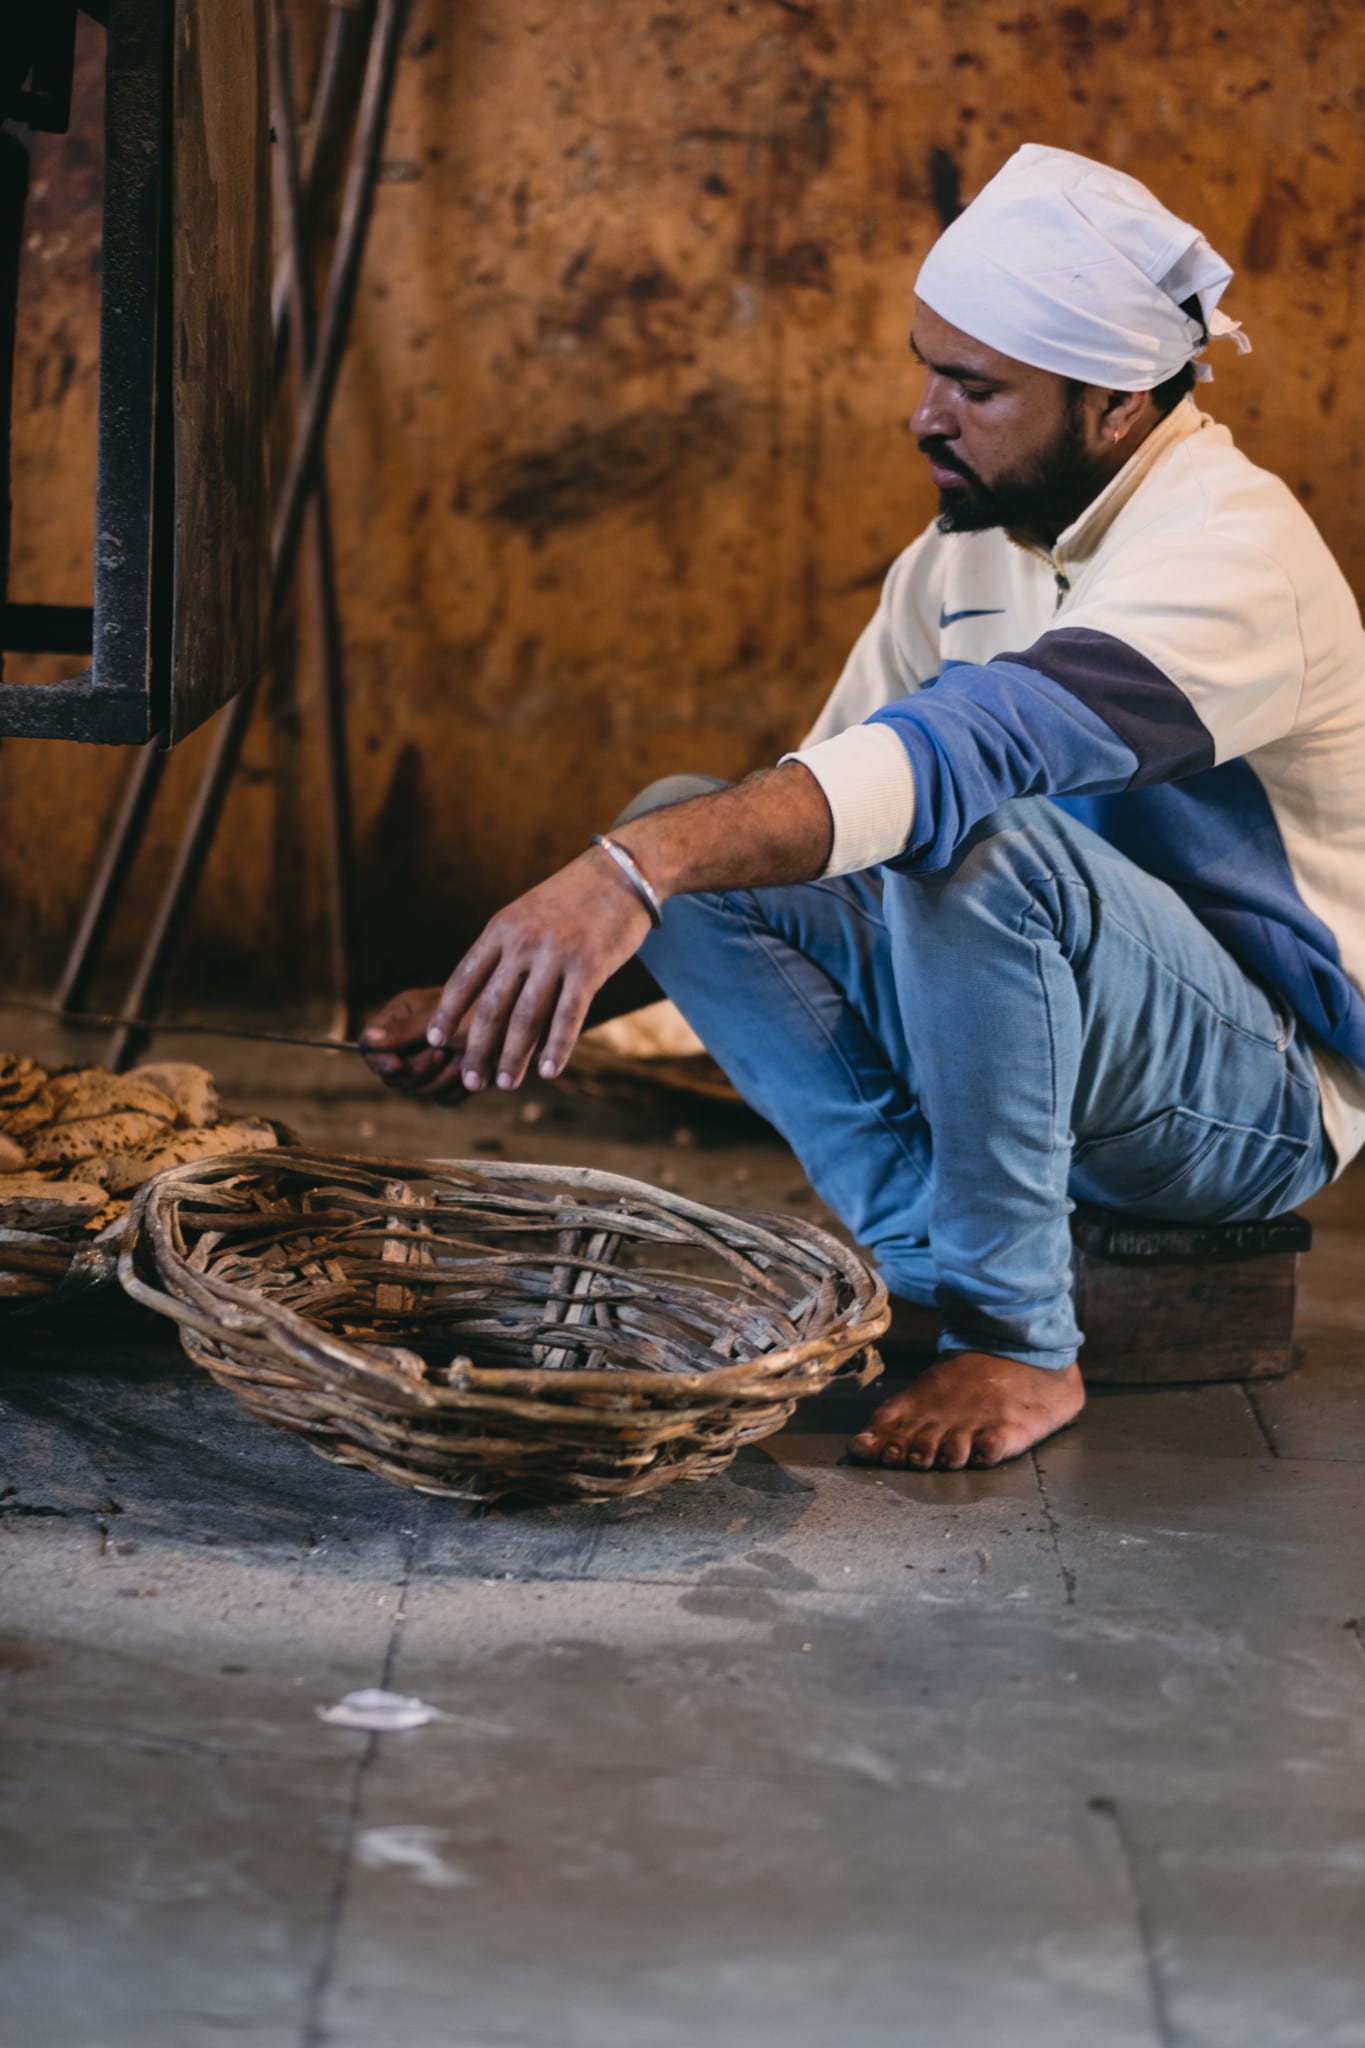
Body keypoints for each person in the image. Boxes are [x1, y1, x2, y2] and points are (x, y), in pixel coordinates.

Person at [362, 145, 1365, 1471]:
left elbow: (960, 762)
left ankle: (1017, 1337)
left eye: (973, 386)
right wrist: (521, 994)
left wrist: (628, 867)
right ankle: (931, 1266)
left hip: (1250, 1101)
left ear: (1117, 401)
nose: (923, 417)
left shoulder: (1232, 557)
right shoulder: (962, 556)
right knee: (698, 822)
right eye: (925, 369)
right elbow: (811, 819)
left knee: (976, 845)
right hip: (1076, 1037)